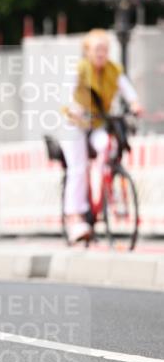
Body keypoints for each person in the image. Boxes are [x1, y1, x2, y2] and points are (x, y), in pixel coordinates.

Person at [61, 28, 143, 243]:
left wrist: (135, 104)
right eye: (97, 49)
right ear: (87, 51)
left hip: (98, 122)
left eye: (105, 49)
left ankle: (106, 186)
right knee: (77, 169)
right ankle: (75, 217)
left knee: (108, 145)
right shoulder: (79, 69)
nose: (102, 53)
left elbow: (128, 91)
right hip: (75, 124)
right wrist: (74, 108)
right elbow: (65, 93)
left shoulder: (113, 69)